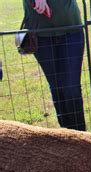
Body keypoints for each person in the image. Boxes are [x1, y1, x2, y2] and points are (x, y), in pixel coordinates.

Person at [22, 0, 86, 131]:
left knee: (71, 89)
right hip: (40, 34)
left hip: (71, 30)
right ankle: (65, 136)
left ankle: (82, 139)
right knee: (57, 88)